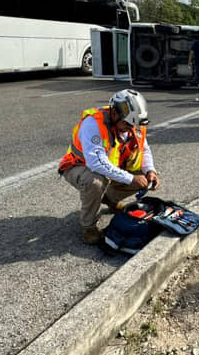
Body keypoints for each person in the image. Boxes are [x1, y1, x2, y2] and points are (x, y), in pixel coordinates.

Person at [58, 89, 160, 244]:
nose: (131, 128)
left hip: (110, 165)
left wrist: (150, 171)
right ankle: (88, 226)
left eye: (133, 125)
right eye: (127, 124)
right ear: (114, 113)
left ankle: (109, 199)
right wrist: (131, 178)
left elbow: (143, 149)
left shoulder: (133, 124)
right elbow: (96, 163)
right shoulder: (93, 124)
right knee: (95, 182)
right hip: (79, 166)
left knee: (144, 178)